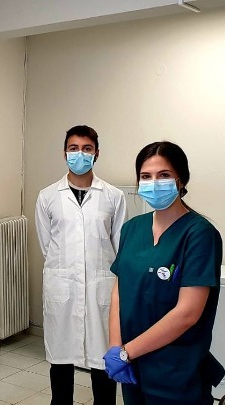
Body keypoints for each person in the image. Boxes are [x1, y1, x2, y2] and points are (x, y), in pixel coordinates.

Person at [105, 141, 224, 404]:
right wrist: (115, 348)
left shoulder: (200, 234)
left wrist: (126, 352)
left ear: (181, 180)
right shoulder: (132, 228)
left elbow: (187, 313)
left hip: (176, 370)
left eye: (164, 175)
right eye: (146, 176)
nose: (154, 183)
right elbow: (119, 292)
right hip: (132, 367)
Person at [35, 125, 126, 405]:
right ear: (64, 153)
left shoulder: (113, 196)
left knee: (103, 361)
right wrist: (69, 270)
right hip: (63, 288)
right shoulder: (48, 196)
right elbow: (47, 246)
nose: (80, 154)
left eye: (87, 149)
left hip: (101, 289)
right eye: (73, 148)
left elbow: (119, 246)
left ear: (97, 153)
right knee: (61, 361)